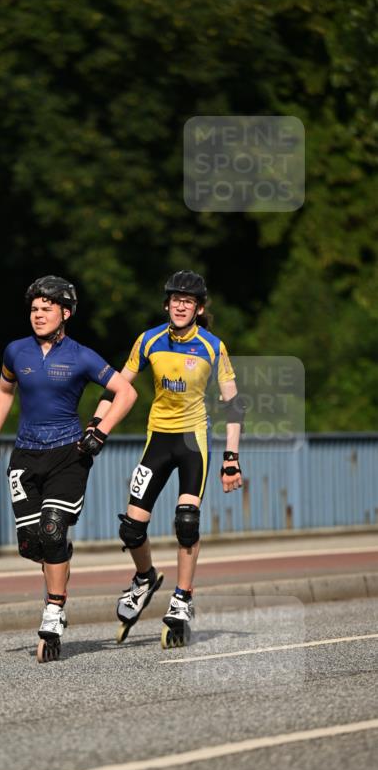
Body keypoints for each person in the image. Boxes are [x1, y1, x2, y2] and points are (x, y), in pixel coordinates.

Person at [0, 275, 137, 660]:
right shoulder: (16, 352)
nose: (38, 315)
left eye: (46, 309)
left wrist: (100, 431)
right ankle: (58, 557)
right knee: (32, 544)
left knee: (51, 529)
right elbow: (4, 391)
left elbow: (126, 392)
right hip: (25, 453)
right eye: (34, 309)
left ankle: (53, 611)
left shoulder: (82, 356)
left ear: (65, 313)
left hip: (69, 453)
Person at [90, 269, 244, 647]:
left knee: (186, 522)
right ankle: (144, 579)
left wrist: (231, 458)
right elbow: (117, 385)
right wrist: (96, 424)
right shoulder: (148, 340)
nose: (180, 305)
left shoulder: (212, 346)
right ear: (166, 304)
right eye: (175, 299)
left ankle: (182, 599)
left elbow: (234, 404)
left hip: (193, 442)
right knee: (131, 528)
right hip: (157, 439)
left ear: (199, 308)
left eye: (188, 301)